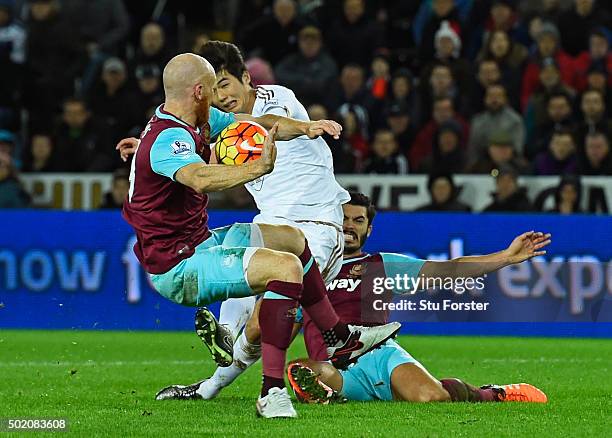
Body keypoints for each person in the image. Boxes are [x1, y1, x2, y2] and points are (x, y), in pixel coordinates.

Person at [120, 53, 399, 419]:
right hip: (178, 266)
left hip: (199, 243)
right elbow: (200, 177)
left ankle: (339, 336)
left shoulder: (194, 122)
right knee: (284, 269)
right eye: (214, 88)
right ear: (199, 91)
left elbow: (258, 124)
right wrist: (258, 167)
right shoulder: (167, 138)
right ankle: (271, 392)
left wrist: (305, 127)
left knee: (292, 242)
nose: (219, 99)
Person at [158, 193, 550, 405]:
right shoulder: (299, 269)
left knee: (434, 399)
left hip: (380, 354)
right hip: (334, 368)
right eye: (343, 219)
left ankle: (493, 393)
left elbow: (449, 270)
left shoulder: (381, 264)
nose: (348, 227)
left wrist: (505, 257)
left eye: (358, 221)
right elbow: (271, 330)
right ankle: (328, 394)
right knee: (302, 370)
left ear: (369, 228)